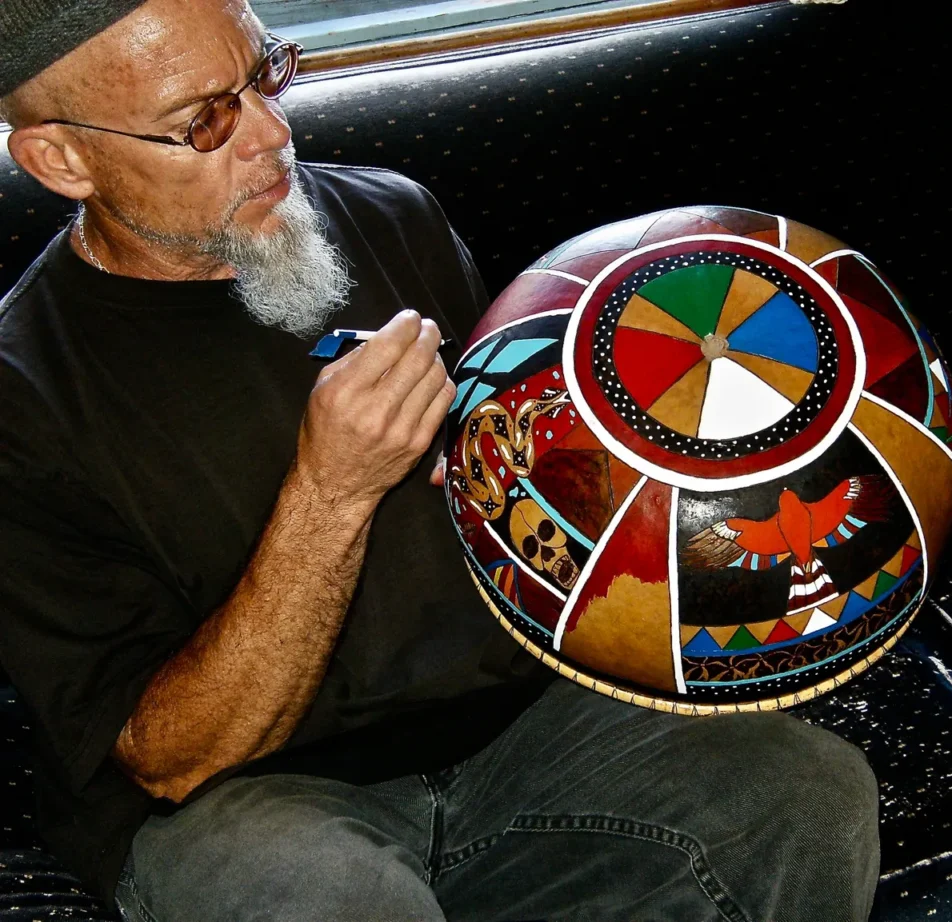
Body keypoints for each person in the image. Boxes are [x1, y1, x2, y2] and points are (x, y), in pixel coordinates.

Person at [0, 1, 881, 920]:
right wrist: (330, 490)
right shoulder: (24, 396)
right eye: (205, 120)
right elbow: (170, 757)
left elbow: (530, 487)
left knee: (802, 792)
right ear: (63, 159)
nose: (272, 132)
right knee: (331, 899)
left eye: (267, 74)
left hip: (523, 728)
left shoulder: (391, 214)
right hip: (262, 797)